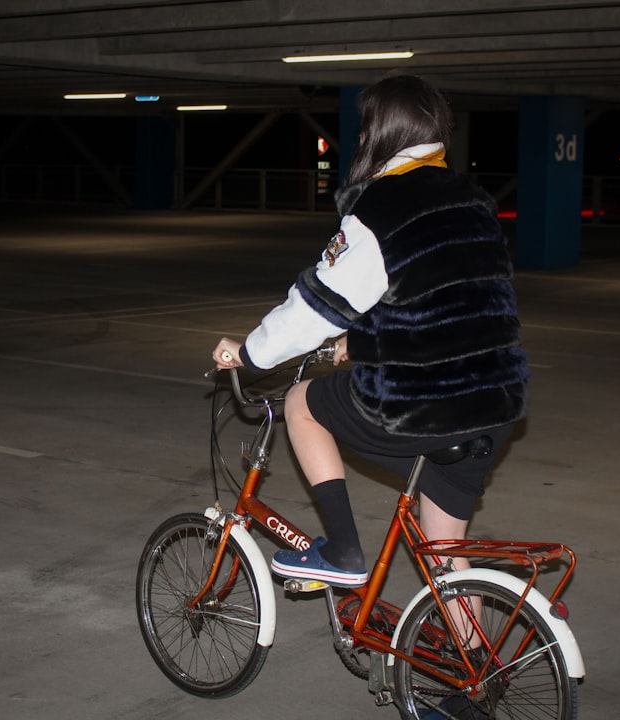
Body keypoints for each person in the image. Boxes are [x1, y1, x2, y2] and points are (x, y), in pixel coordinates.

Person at [212, 74, 528, 588]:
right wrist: (358, 344)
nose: (360, 140)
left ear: (381, 133)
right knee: (442, 556)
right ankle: (476, 663)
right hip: (494, 403)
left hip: (425, 406)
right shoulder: (473, 201)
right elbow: (448, 311)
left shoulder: (382, 208)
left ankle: (341, 551)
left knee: (301, 403)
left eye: (364, 130)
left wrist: (249, 354)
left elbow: (317, 308)